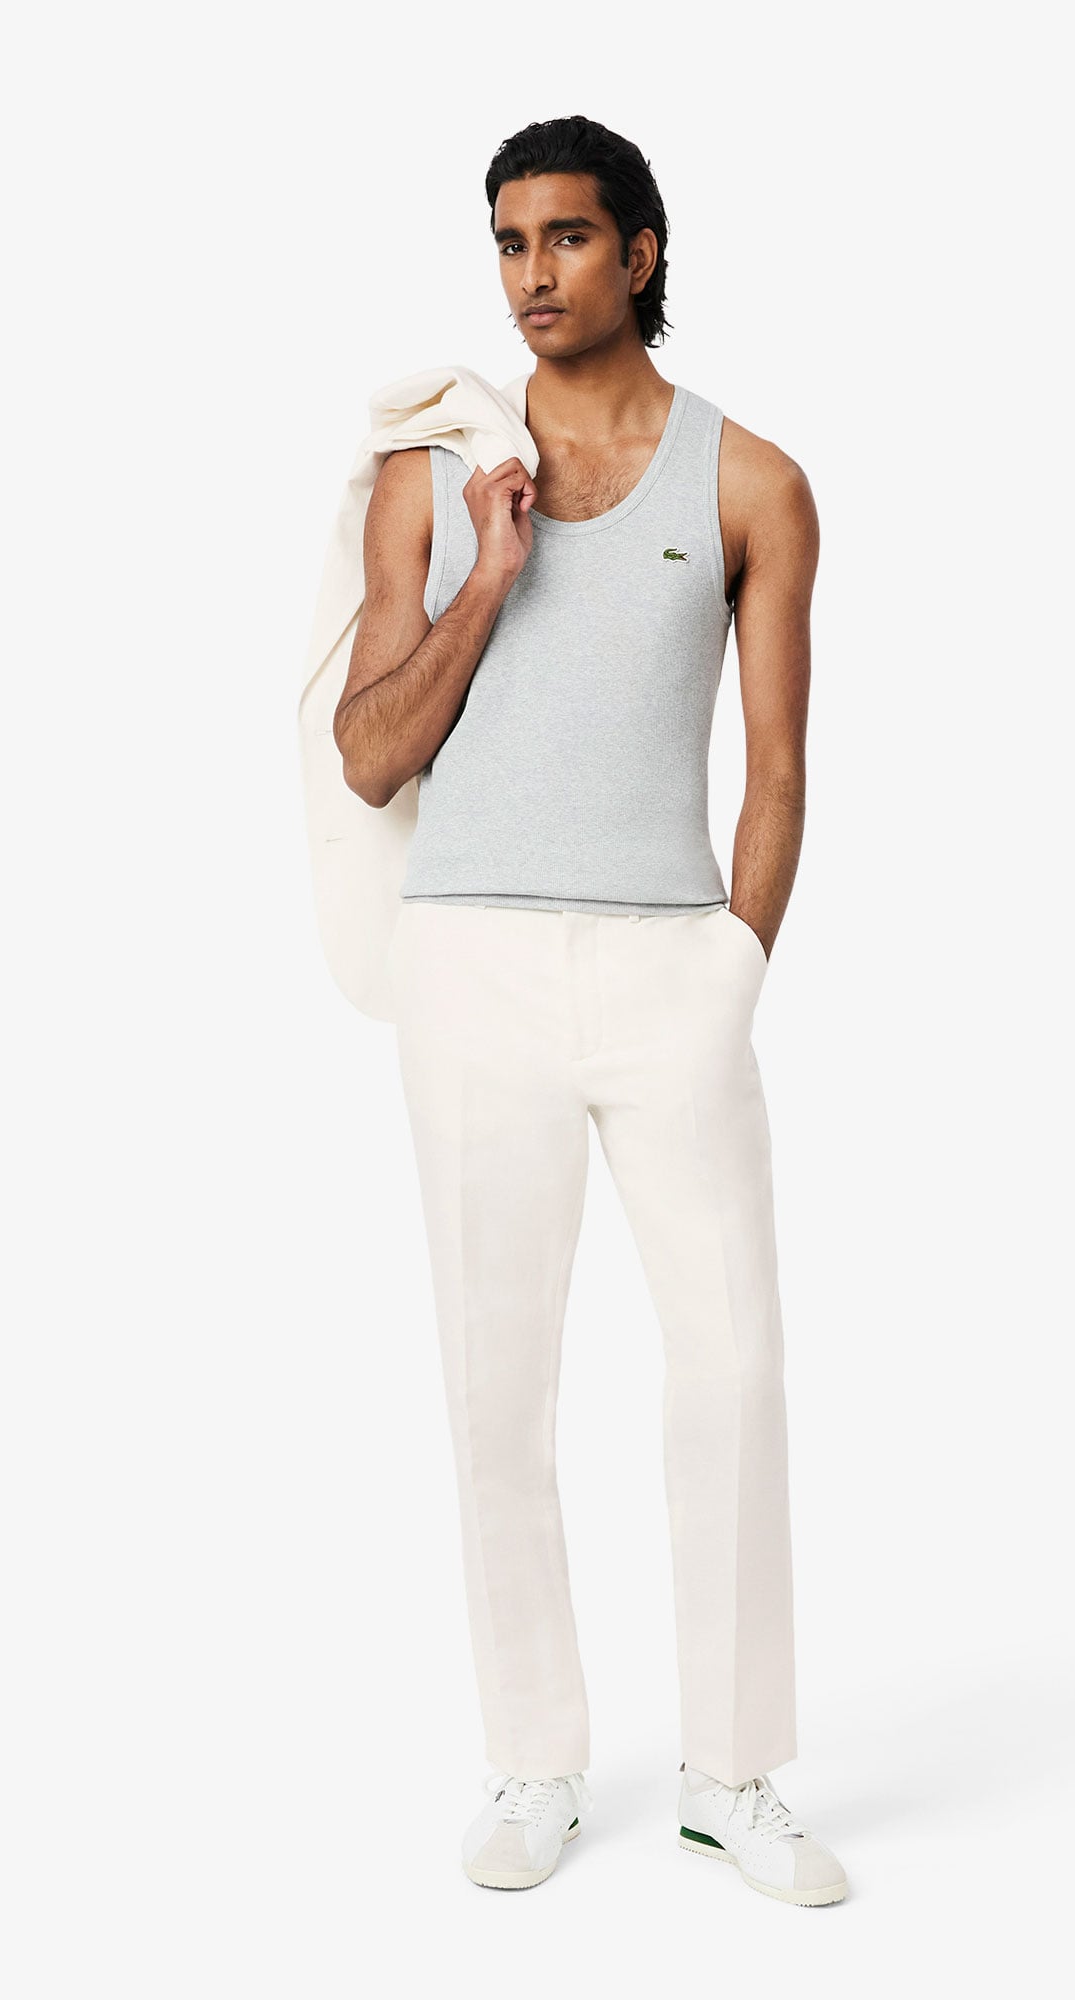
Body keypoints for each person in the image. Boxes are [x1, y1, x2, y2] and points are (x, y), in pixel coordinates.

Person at [332, 114, 845, 1908]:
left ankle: (733, 1772)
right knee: (499, 1382)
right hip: (471, 963)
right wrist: (491, 570)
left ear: (640, 250)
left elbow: (778, 768)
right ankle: (537, 1757)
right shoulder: (438, 472)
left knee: (734, 1365)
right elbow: (368, 752)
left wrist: (733, 965)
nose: (530, 274)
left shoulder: (753, 482)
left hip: (668, 972)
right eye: (506, 241)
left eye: (563, 237)